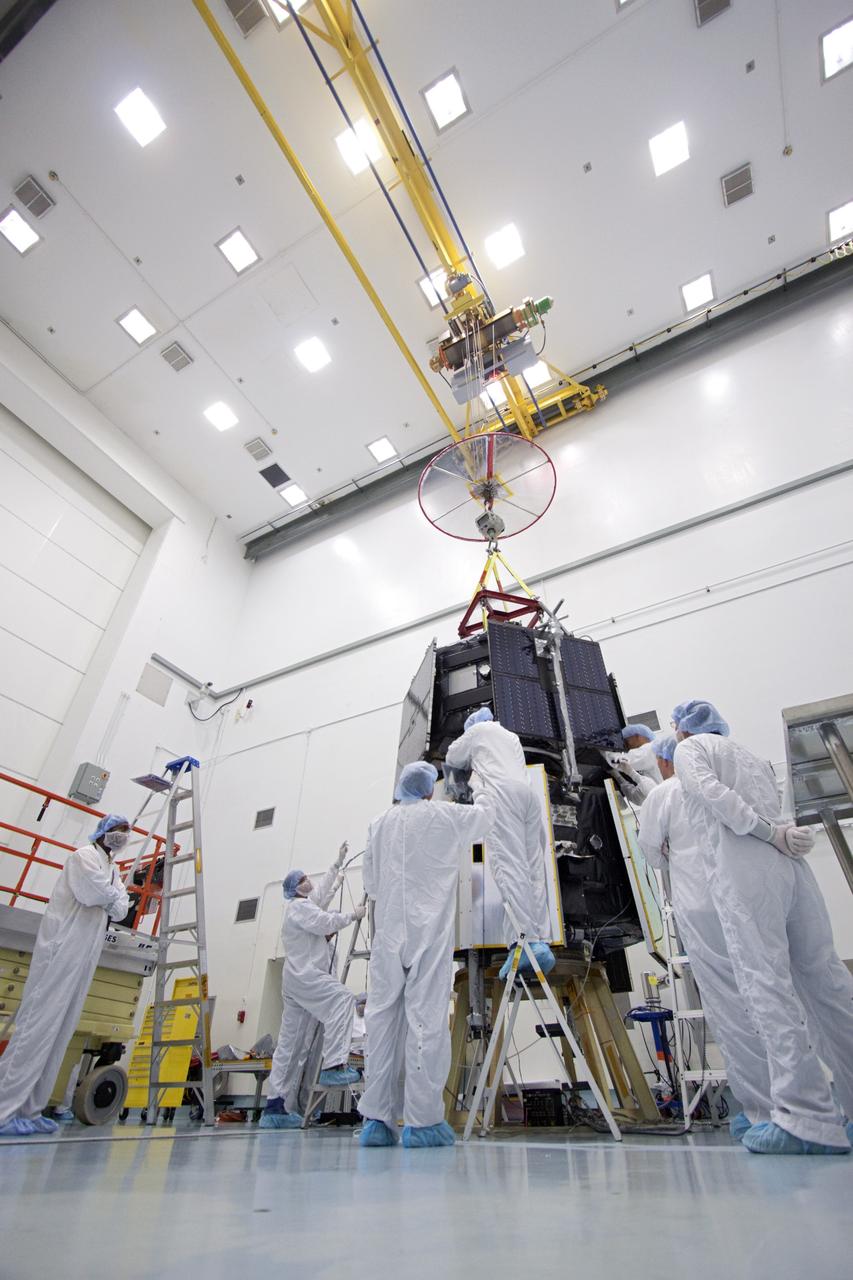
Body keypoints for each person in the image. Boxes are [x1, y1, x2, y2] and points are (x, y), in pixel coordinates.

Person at [673, 699, 853, 1156]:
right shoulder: (750, 756)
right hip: (790, 867)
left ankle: (805, 1119)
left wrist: (766, 832)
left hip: (747, 868)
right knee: (826, 983)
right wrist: (781, 833)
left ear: (679, 730)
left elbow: (712, 795)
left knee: (766, 986)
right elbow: (780, 806)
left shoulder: (689, 750)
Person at [638, 735, 773, 1141]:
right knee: (770, 997)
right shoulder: (745, 777)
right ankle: (801, 1104)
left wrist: (669, 857)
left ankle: (761, 1110)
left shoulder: (664, 794)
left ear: (665, 760)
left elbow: (651, 851)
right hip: (749, 899)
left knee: (728, 1008)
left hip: (699, 907)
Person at [358, 761, 495, 1148]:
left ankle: (376, 1121)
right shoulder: (444, 815)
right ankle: (422, 1122)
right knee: (426, 1020)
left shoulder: (379, 822)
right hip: (428, 931)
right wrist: (482, 776)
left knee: (382, 1021)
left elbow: (370, 882)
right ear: (431, 789)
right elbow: (487, 818)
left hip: (387, 934)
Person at [0, 814, 131, 1137]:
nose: (121, 836)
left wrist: (112, 897)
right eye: (117, 831)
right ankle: (5, 1108)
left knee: (60, 1033)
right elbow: (94, 896)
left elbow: (122, 909)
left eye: (125, 833)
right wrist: (112, 898)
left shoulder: (112, 870)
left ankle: (31, 1109)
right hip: (62, 949)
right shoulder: (83, 857)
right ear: (103, 831)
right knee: (36, 1028)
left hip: (86, 953)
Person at [260, 846, 365, 1130]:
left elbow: (319, 899)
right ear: (294, 888)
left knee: (290, 1045)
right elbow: (323, 920)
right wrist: (352, 916)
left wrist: (336, 865)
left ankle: (276, 1106)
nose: (308, 881)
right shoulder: (299, 908)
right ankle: (333, 1066)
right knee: (343, 1000)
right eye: (303, 878)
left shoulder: (302, 906)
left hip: (296, 982)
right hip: (305, 977)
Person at [444, 708, 553, 977]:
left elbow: (451, 756)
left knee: (509, 865)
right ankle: (539, 941)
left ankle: (524, 942)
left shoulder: (478, 731)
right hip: (527, 797)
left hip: (500, 796)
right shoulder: (510, 735)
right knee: (532, 868)